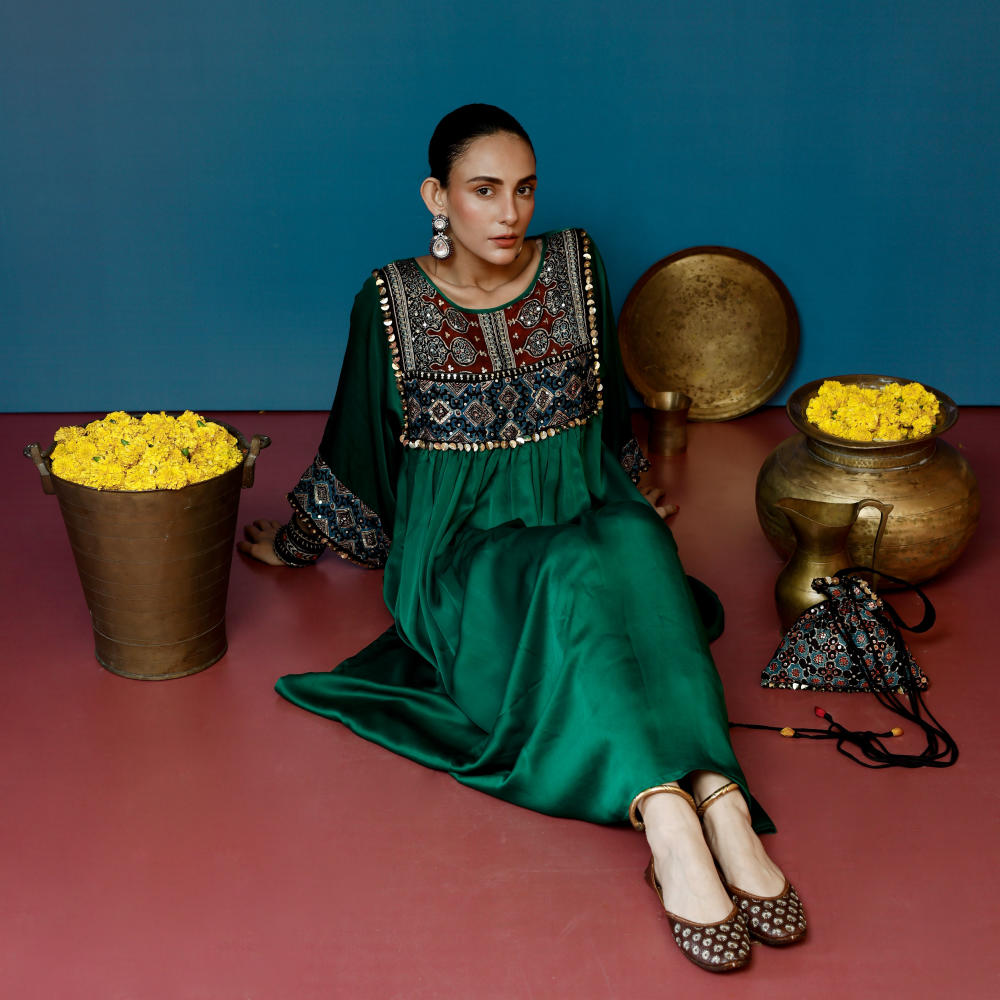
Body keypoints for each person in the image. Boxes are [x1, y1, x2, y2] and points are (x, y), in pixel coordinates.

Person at [239, 104, 806, 972]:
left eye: (525, 189)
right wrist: (299, 542)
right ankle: (666, 816)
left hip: (579, 500)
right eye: (484, 190)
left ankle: (719, 797)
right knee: (576, 564)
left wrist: (629, 486)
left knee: (636, 540)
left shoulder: (577, 266)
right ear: (437, 197)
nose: (510, 213)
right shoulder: (388, 303)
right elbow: (356, 448)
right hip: (462, 555)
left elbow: (608, 406)